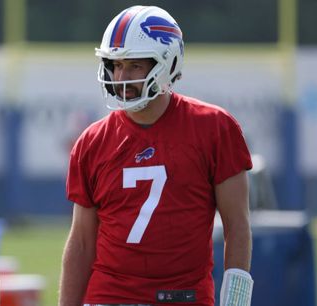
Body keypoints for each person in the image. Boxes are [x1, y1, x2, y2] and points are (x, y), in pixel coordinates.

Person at [59, 6, 253, 306]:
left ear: (167, 64)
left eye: (135, 65)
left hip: (184, 297)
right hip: (109, 297)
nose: (122, 76)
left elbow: (237, 226)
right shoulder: (92, 142)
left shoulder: (214, 128)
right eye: (116, 65)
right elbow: (82, 242)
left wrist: (236, 303)